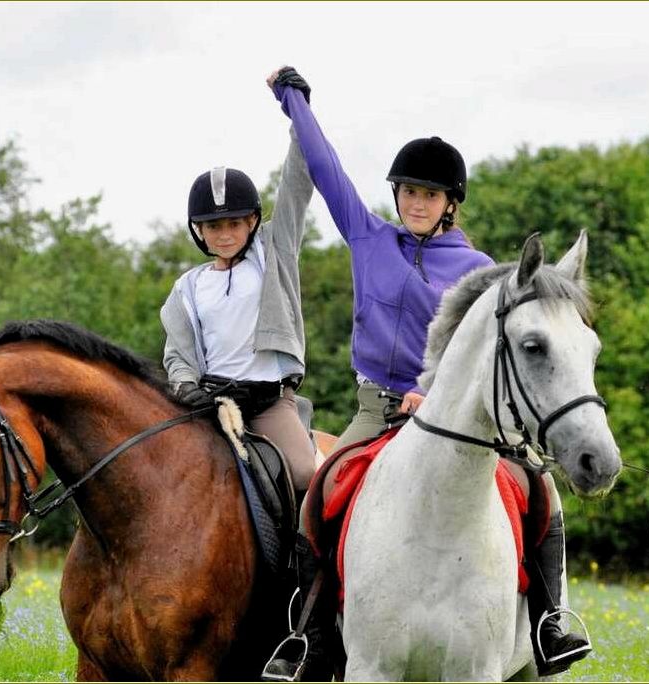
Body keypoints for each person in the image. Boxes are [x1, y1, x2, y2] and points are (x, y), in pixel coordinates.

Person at [262, 66, 590, 681]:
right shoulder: (368, 238)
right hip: (374, 409)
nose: (416, 202)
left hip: (453, 416)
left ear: (449, 204)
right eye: (409, 191)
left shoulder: (479, 270)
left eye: (429, 195)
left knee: (542, 493)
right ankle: (310, 638)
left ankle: (548, 624)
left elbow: (486, 358)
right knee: (318, 496)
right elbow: (327, 168)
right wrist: (293, 102)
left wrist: (432, 393)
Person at [159, 116, 317, 496]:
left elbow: (296, 185)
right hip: (210, 404)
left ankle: (307, 554)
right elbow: (177, 356)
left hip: (267, 404)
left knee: (303, 473)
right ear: (199, 231)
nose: (224, 234)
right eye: (213, 227)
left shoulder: (273, 255)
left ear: (252, 221)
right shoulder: (187, 289)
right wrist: (184, 386)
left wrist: (300, 118)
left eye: (233, 223)